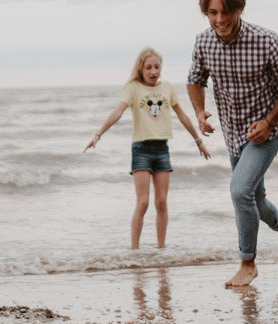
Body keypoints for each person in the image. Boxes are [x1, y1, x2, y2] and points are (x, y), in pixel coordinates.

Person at [187, 0, 278, 287]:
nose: (220, 20)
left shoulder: (267, 41)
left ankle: (247, 263)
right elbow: (195, 79)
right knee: (253, 197)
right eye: (212, 13)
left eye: (226, 12)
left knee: (240, 192)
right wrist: (199, 112)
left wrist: (268, 121)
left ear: (240, 9)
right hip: (232, 132)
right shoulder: (203, 42)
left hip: (267, 131)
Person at [84, 47, 211, 248]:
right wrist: (98, 134)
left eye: (157, 67)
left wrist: (199, 141)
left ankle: (161, 248)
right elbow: (118, 112)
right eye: (149, 67)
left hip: (162, 150)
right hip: (141, 150)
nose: (153, 71)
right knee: (142, 203)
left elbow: (182, 116)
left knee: (161, 202)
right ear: (141, 69)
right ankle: (135, 250)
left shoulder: (167, 88)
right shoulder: (133, 88)